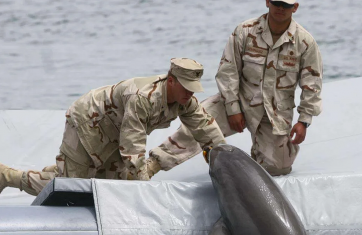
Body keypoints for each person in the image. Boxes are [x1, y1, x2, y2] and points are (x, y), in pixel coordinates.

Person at [149, 0, 323, 176]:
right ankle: (151, 165)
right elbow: (227, 71)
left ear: (295, 7)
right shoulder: (245, 31)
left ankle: (254, 161)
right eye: (276, 3)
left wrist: (304, 121)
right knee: (196, 126)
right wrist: (233, 108)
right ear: (267, 2)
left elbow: (312, 85)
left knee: (278, 168)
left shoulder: (305, 42)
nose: (280, 8)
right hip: (238, 100)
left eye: (286, 5)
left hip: (274, 114)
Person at [0, 58, 226, 196]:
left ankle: (66, 168)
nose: (191, 92)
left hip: (116, 130)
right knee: (71, 188)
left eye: (194, 88)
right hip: (88, 122)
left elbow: (205, 129)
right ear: (171, 81)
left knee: (114, 183)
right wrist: (146, 189)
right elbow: (132, 147)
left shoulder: (186, 101)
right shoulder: (143, 98)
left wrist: (225, 159)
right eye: (186, 87)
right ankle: (8, 176)